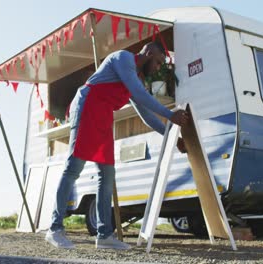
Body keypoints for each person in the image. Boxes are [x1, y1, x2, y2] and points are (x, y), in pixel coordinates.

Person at [45, 42, 189, 250]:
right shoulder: (123, 59)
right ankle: (55, 229)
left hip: (103, 115)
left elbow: (146, 115)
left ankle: (104, 235)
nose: (158, 67)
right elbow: (140, 95)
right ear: (148, 53)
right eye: (158, 62)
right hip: (87, 105)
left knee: (107, 173)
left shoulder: (137, 79)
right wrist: (170, 115)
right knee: (73, 168)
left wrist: (171, 138)